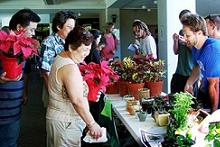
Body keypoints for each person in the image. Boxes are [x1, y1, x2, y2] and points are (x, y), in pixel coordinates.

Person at [46, 26, 102, 147]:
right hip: (66, 122)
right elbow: (77, 101)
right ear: (71, 47)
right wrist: (91, 124)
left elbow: (69, 92)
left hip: (60, 119)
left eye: (89, 50)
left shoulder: (62, 57)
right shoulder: (69, 67)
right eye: (84, 50)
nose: (86, 54)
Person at [0, 9, 40, 147]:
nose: (33, 34)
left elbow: (26, 72)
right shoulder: (2, 41)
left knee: (10, 142)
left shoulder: (24, 46)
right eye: (32, 29)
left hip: (13, 109)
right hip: (2, 107)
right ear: (19, 28)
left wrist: (25, 92)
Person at [182, 14, 220, 113]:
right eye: (184, 35)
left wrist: (212, 114)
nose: (185, 39)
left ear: (199, 33)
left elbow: (215, 85)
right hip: (208, 91)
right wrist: (189, 83)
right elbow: (197, 65)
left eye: (188, 35)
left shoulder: (212, 49)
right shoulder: (195, 47)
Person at [40, 10, 76, 107]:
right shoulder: (49, 42)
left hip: (69, 87)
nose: (72, 31)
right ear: (59, 26)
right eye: (69, 27)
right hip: (55, 90)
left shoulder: (69, 42)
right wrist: (54, 96)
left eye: (73, 28)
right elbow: (45, 72)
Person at [170, 9, 198, 95]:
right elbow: (176, 51)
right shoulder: (181, 32)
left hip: (191, 74)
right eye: (182, 21)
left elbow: (197, 52)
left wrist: (186, 43)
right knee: (175, 100)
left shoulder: (196, 33)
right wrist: (175, 40)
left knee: (191, 104)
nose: (184, 22)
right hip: (179, 72)